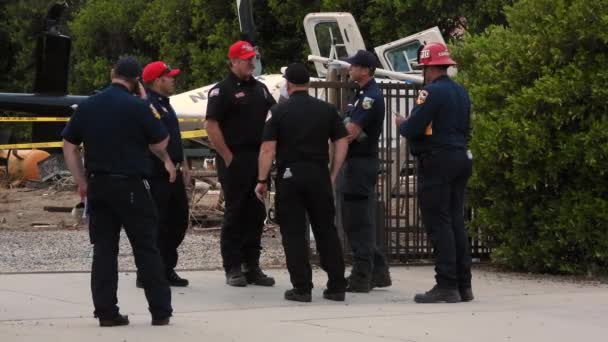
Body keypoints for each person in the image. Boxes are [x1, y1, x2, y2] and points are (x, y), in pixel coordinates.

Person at [62, 56, 174, 326]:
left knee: (104, 251)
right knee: (146, 249)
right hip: (132, 185)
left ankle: (106, 313)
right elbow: (161, 142)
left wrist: (81, 181)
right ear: (137, 80)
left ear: (113, 74)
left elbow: (69, 145)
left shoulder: (88, 106)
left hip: (98, 185)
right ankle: (160, 311)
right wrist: (146, 105)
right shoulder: (138, 106)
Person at [255, 63, 349, 302]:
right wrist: (333, 172)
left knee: (293, 232)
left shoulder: (278, 112)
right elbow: (341, 142)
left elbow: (267, 149)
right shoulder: (327, 110)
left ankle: (302, 287)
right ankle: (337, 285)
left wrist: (262, 180)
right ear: (308, 84)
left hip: (290, 176)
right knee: (325, 229)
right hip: (319, 175)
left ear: (287, 84)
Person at [395, 42, 473, 303]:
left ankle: (446, 284)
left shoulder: (430, 92)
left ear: (428, 68)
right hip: (460, 157)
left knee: (438, 223)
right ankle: (464, 285)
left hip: (437, 161)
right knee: (455, 221)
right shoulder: (461, 92)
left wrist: (402, 124)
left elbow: (413, 127)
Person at [205, 40, 276, 287]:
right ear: (233, 61)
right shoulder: (221, 90)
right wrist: (227, 156)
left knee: (256, 213)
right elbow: (211, 125)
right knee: (235, 212)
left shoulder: (261, 89)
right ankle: (233, 266)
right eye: (247, 59)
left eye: (253, 59)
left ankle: (252, 265)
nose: (252, 63)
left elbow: (274, 116)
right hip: (235, 157)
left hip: (258, 158)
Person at [341, 50, 391, 293]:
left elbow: (350, 132)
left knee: (357, 220)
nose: (349, 69)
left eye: (353, 66)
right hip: (358, 162)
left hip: (361, 163)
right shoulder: (359, 93)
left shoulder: (370, 97)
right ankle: (379, 270)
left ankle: (362, 275)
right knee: (360, 218)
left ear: (365, 69)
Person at [136, 61, 190, 288]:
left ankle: (167, 267)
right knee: (157, 223)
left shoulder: (166, 104)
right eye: (169, 77)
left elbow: (175, 138)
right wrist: (166, 161)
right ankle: (148, 272)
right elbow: (150, 140)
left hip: (174, 171)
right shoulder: (148, 105)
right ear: (158, 80)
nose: (173, 80)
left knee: (178, 221)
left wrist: (184, 163)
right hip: (157, 172)